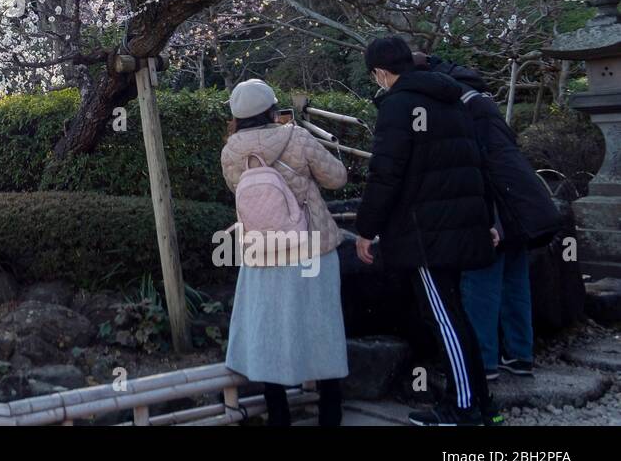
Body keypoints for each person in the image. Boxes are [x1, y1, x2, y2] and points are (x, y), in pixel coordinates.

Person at [355, 37, 497, 426]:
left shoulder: (398, 106)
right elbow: (477, 163)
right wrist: (488, 220)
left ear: (381, 73)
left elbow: (386, 174)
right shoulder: (452, 98)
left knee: (446, 321)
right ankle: (480, 405)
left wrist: (366, 229)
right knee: (455, 317)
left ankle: (464, 410)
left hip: (426, 233)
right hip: (458, 224)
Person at [414, 51, 560, 382]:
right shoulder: (478, 97)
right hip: (520, 200)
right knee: (514, 280)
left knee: (481, 283)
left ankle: (483, 362)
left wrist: (485, 218)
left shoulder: (453, 105)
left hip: (492, 204)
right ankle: (521, 355)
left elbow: (474, 165)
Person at [220, 78, 350, 426]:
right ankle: (330, 414)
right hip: (311, 248)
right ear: (271, 108)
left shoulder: (231, 151)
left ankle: (278, 415)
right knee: (321, 326)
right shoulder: (298, 137)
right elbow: (337, 178)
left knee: (270, 330)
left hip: (262, 251)